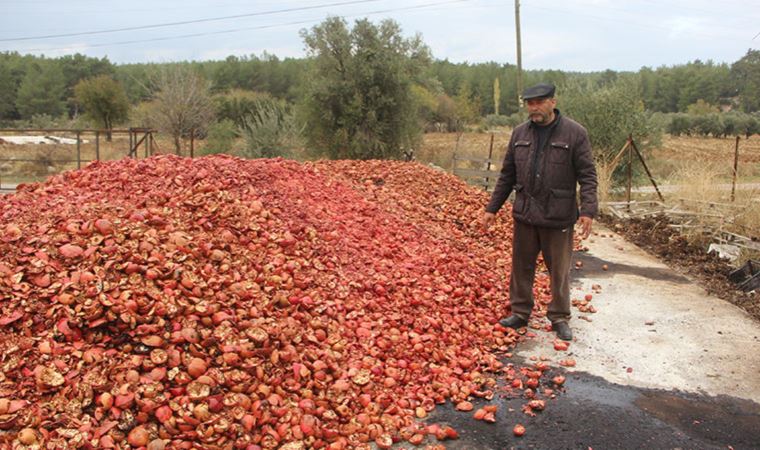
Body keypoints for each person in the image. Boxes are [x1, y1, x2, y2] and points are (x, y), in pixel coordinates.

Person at [482, 82, 598, 341]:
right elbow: (507, 175)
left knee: (559, 269)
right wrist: (492, 208)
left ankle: (559, 316)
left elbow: (588, 175)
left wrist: (588, 210)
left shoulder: (574, 134)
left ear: (552, 102)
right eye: (529, 103)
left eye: (539, 102)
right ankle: (520, 311)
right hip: (525, 213)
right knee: (521, 266)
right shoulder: (520, 134)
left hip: (558, 215)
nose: (534, 108)